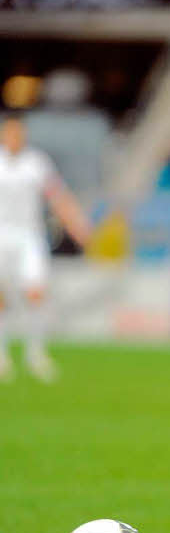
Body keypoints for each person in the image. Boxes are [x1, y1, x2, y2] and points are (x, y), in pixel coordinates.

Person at [0, 115, 92, 382]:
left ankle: (35, 353)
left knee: (36, 291)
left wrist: (78, 225)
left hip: (30, 234)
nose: (14, 138)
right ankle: (2, 355)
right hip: (2, 235)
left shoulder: (36, 163)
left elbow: (57, 197)